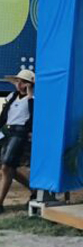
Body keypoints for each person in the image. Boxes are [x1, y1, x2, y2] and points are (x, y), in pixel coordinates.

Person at [0, 69, 35, 211]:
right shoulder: (12, 96)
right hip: (7, 131)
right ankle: (33, 190)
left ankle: (0, 203)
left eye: (23, 82)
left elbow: (34, 115)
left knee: (6, 166)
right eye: (18, 81)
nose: (19, 84)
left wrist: (30, 95)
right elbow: (4, 115)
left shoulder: (33, 99)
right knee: (8, 168)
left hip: (20, 133)